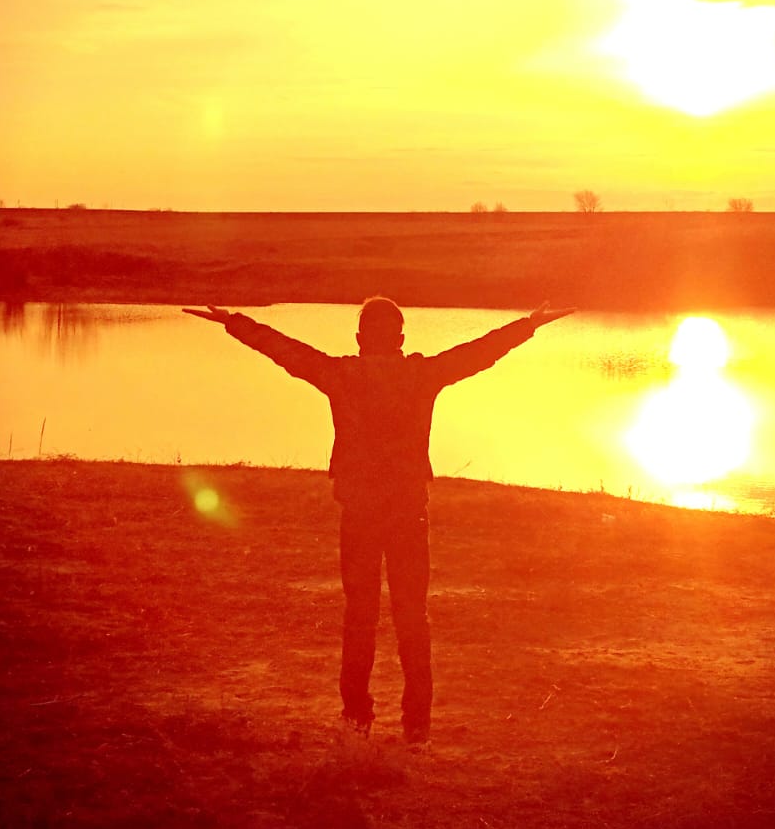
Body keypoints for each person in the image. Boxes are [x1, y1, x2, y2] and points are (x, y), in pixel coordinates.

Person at [185, 297, 573, 746]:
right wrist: (528, 324)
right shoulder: (420, 375)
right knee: (413, 618)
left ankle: (356, 718)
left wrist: (234, 323)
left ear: (359, 339)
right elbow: (477, 353)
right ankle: (417, 726)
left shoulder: (341, 375)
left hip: (360, 513)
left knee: (359, 616)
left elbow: (286, 351)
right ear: (401, 339)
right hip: (408, 512)